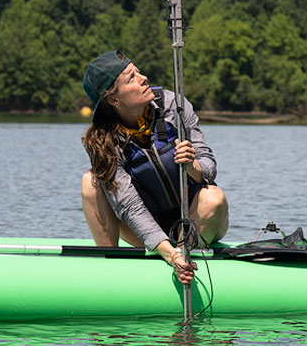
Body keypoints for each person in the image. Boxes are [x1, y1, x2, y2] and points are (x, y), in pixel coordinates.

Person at [79, 50, 229, 285]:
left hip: (195, 219)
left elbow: (209, 167)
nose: (143, 78)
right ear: (114, 100)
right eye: (131, 78)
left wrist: (193, 166)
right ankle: (109, 269)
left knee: (214, 197)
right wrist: (168, 253)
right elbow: (130, 208)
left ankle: (184, 263)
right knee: (91, 181)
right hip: (144, 226)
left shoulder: (174, 105)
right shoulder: (103, 140)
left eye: (138, 71)